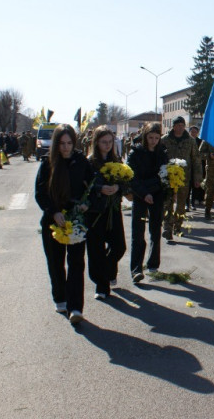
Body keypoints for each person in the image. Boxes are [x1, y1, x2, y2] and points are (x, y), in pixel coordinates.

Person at [34, 124, 93, 324]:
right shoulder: (48, 164)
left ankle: (75, 307)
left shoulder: (82, 162)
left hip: (76, 220)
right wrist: (53, 211)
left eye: (69, 143)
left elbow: (92, 187)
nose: (66, 148)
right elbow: (40, 193)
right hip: (53, 221)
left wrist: (86, 204)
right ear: (56, 144)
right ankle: (60, 298)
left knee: (76, 263)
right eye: (62, 143)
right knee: (55, 262)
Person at [85, 126, 127, 300]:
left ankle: (107, 272)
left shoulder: (117, 160)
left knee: (119, 247)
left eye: (110, 142)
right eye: (104, 142)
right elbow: (84, 185)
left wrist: (118, 187)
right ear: (96, 143)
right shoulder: (89, 162)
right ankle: (101, 286)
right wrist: (100, 188)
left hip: (113, 210)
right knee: (96, 250)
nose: (108, 145)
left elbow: (126, 181)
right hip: (95, 212)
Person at [127, 122, 166, 282]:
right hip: (140, 196)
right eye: (150, 137)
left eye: (156, 138)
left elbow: (164, 175)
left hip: (156, 195)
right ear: (145, 137)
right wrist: (144, 194)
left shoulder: (162, 153)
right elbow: (131, 177)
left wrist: (155, 190)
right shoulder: (135, 153)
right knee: (138, 232)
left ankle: (153, 263)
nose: (153, 141)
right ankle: (136, 269)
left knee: (155, 229)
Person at [160, 116, 202, 239]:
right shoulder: (165, 140)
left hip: (184, 177)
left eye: (182, 125)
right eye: (178, 125)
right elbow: (158, 157)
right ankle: (167, 228)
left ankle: (177, 226)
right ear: (173, 126)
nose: (180, 127)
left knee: (181, 204)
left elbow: (196, 160)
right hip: (168, 177)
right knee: (167, 203)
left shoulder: (190, 141)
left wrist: (197, 178)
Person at [188, 125, 205, 211]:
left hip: (199, 165)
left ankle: (198, 199)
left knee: (199, 183)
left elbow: (203, 152)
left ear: (197, 133)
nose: (193, 133)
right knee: (189, 184)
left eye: (195, 132)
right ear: (189, 132)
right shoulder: (187, 141)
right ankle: (188, 203)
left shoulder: (200, 141)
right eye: (192, 132)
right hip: (188, 165)